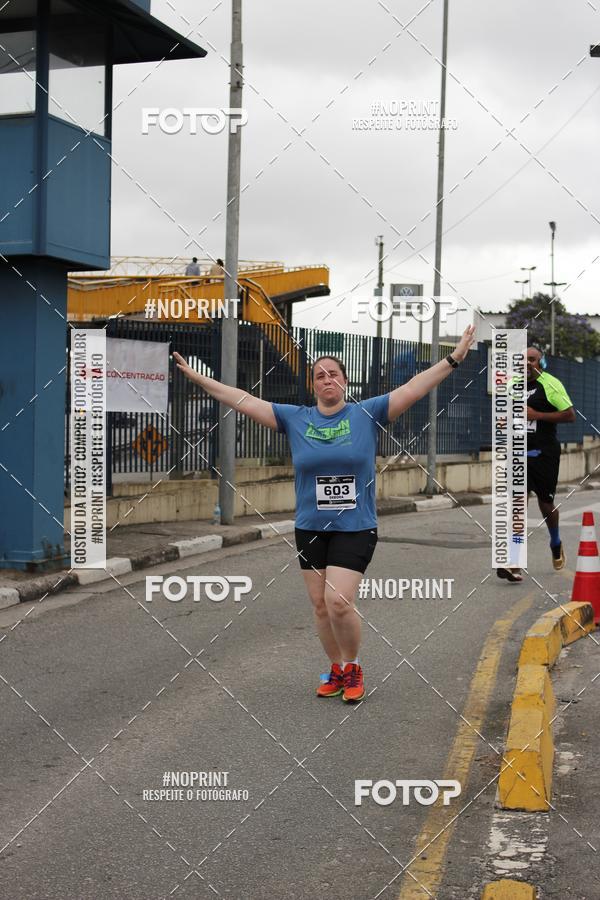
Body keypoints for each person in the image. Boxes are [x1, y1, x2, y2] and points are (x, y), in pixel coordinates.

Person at [173, 324, 476, 702]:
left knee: (338, 601)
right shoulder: (295, 418)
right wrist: (198, 378)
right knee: (319, 607)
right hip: (311, 527)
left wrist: (453, 359)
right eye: (320, 375)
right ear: (313, 385)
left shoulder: (368, 413)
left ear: (345, 382)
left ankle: (353, 667)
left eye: (334, 374)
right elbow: (241, 400)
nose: (327, 379)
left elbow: (414, 387)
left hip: (355, 525)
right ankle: (335, 668)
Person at [496, 345, 576, 584]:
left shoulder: (551, 384)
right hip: (519, 453)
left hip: (545, 454)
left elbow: (569, 414)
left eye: (532, 359)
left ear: (541, 362)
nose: (528, 363)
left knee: (546, 502)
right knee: (518, 505)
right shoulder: (513, 386)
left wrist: (538, 415)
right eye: (524, 360)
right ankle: (514, 563)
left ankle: (555, 541)